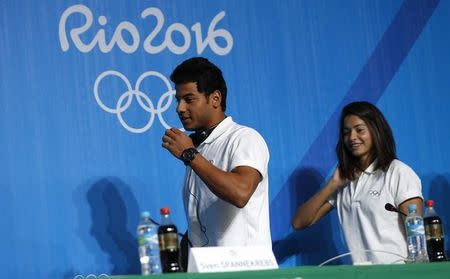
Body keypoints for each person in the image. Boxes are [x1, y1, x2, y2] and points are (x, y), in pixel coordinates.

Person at [291, 101, 423, 264]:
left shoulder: (398, 172)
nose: (352, 137)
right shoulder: (343, 181)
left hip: (397, 272)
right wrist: (332, 184)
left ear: (376, 131)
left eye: (359, 130)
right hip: (359, 275)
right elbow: (299, 222)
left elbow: (416, 234)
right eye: (346, 132)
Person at [161, 57, 271, 250]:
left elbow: (240, 193)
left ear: (215, 99)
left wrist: (189, 155)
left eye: (189, 99)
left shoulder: (245, 138)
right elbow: (205, 223)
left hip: (246, 270)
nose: (180, 108)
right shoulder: (199, 148)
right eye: (178, 100)